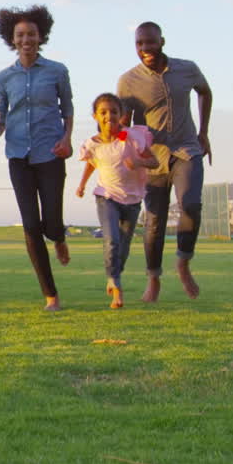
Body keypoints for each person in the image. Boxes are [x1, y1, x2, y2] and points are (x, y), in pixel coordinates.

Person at [0, 5, 73, 311]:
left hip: (50, 152)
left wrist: (67, 138)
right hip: (18, 155)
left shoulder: (57, 71)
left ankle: (59, 236)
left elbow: (68, 110)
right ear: (12, 38)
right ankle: (51, 294)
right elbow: (1, 116)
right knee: (31, 226)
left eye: (31, 34)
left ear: (40, 36)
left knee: (51, 221)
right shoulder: (3, 78)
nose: (26, 39)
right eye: (20, 35)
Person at [118, 21, 213, 301]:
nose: (145, 48)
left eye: (150, 42)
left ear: (162, 41)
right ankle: (154, 279)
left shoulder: (187, 69)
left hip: (187, 150)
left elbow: (205, 92)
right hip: (152, 160)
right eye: (139, 44)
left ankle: (183, 262)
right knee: (155, 222)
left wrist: (204, 132)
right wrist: (126, 149)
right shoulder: (128, 81)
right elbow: (124, 125)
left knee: (191, 204)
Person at [75, 93, 158, 309]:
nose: (108, 116)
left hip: (132, 200)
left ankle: (115, 275)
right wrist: (82, 185)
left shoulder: (131, 137)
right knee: (111, 239)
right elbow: (92, 163)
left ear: (121, 115)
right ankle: (116, 286)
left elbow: (154, 161)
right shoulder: (92, 144)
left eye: (114, 111)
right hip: (106, 196)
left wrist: (139, 161)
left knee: (123, 246)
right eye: (103, 112)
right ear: (95, 116)